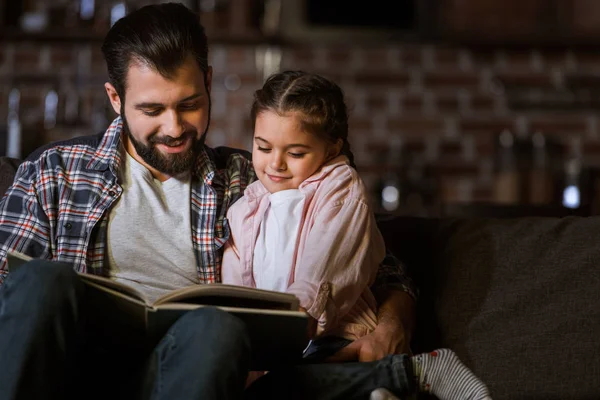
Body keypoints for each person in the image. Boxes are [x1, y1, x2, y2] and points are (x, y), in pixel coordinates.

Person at [0, 3, 417, 400]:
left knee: (215, 327)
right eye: (151, 109)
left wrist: (391, 325)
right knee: (42, 280)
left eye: (189, 104)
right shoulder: (53, 172)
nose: (174, 127)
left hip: (182, 371)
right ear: (115, 99)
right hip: (71, 369)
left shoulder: (249, 179)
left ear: (209, 83)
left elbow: (374, 260)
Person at [222, 70, 491, 400]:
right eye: (263, 147)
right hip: (280, 351)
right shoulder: (244, 210)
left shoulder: (341, 189)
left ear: (331, 148)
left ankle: (415, 371)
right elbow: (238, 289)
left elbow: (326, 264)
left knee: (281, 389)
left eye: (295, 153)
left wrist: (294, 321)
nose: (276, 163)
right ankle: (378, 390)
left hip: (335, 337)